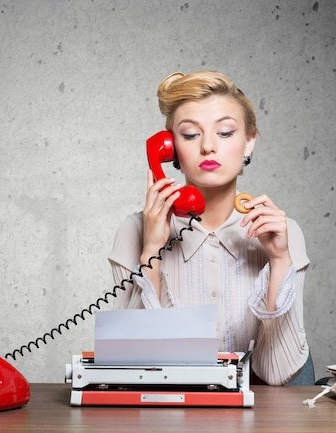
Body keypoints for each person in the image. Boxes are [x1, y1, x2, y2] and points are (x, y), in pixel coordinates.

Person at [108, 70, 311, 385]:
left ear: (249, 142)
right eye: (190, 135)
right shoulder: (134, 231)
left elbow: (278, 374)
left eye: (226, 132)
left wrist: (280, 262)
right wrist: (152, 251)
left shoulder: (283, 233)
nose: (208, 147)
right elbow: (127, 369)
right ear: (169, 148)